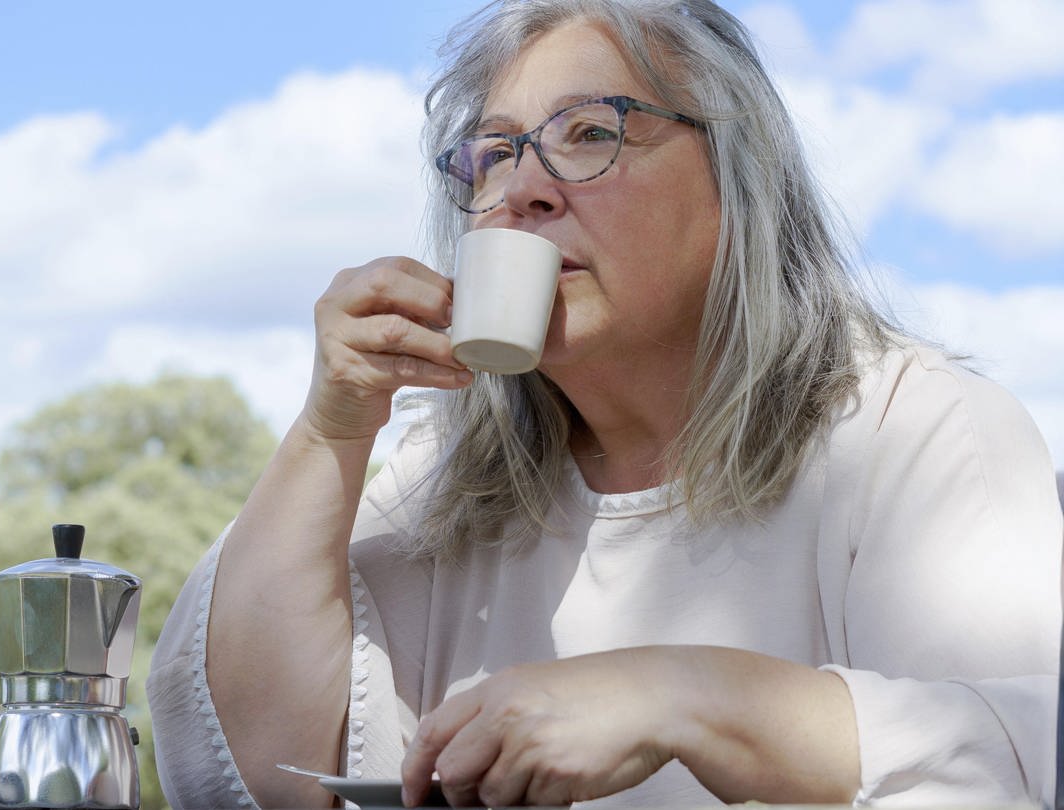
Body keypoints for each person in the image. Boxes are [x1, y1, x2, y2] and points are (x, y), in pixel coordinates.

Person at [146, 0, 1063, 807]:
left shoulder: (916, 432)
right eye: (495, 153)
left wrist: (682, 696)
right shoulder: (445, 477)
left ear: (741, 183)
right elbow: (252, 772)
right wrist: (331, 429)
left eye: (591, 132)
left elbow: (1028, 755)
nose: (521, 190)